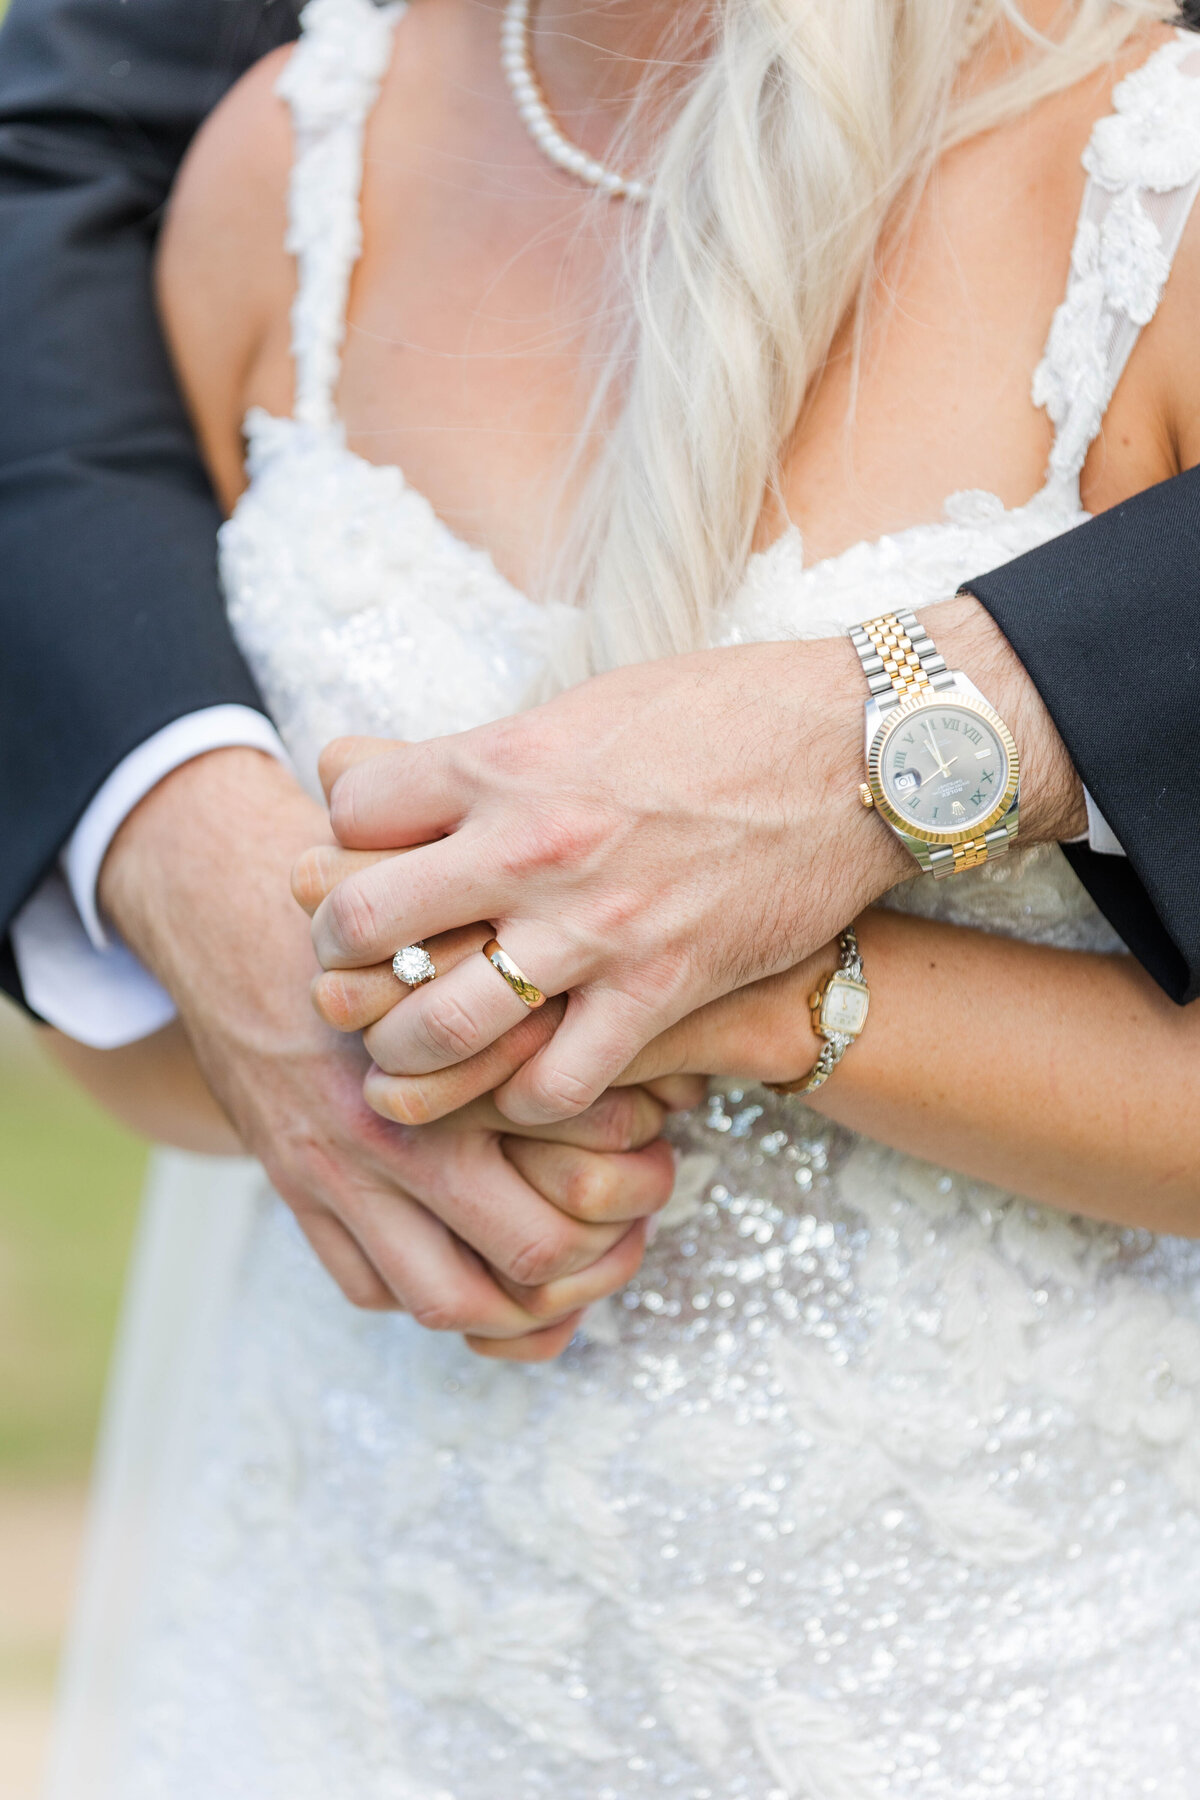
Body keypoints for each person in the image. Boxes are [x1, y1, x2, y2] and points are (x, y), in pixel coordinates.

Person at [21, 0, 1200, 1793]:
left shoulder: (1145, 194)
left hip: (1000, 1699)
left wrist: (764, 996)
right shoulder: (293, 158)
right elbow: (142, 1063)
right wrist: (321, 1003)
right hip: (341, 1676)